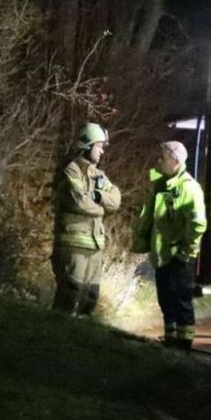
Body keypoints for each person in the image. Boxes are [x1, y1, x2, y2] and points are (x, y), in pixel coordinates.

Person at [132, 141, 207, 351]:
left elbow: (198, 224)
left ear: (175, 161)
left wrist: (185, 253)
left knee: (181, 302)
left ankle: (183, 346)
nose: (158, 161)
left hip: (179, 256)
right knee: (166, 301)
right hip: (163, 254)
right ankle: (171, 340)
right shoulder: (162, 185)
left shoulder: (189, 188)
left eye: (162, 158)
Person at [52, 122, 122, 316]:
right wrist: (101, 209)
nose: (102, 152)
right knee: (69, 294)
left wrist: (98, 196)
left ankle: (82, 337)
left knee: (90, 296)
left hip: (94, 246)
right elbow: (79, 202)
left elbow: (115, 200)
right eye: (99, 146)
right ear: (88, 145)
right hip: (73, 245)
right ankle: (57, 334)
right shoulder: (70, 171)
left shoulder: (98, 174)